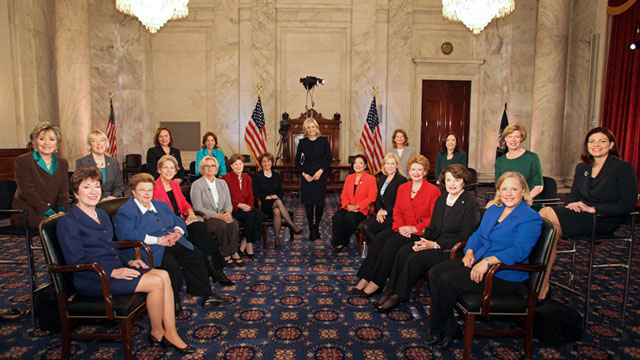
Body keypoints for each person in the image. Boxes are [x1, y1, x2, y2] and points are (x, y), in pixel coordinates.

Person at [57, 167, 196, 354]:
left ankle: (162, 333)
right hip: (94, 278)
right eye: (86, 187)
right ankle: (162, 332)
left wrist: (128, 262)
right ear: (75, 192)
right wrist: (113, 271)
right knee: (156, 281)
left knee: (164, 275)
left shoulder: (101, 215)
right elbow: (76, 260)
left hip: (112, 268)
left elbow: (111, 247)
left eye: (96, 186)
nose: (93, 192)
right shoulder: (68, 222)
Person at [425, 171, 542, 349]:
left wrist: (487, 262)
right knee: (435, 272)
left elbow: (520, 250)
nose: (509, 194)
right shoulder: (494, 209)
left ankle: (437, 328)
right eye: (504, 189)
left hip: (504, 274)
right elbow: (478, 234)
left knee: (447, 280)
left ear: (523, 190)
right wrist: (470, 251)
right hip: (478, 260)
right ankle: (450, 326)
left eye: (514, 189)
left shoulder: (530, 217)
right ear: (498, 190)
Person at [538, 127, 638, 300]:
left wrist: (594, 209)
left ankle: (529, 278)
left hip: (604, 219)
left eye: (601, 141)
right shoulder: (582, 167)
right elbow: (572, 195)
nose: (596, 145)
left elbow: (628, 204)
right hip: (580, 214)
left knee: (545, 215)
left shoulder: (623, 168)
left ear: (611, 145)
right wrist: (573, 204)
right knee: (550, 233)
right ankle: (542, 286)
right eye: (591, 141)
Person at [113, 173, 230, 316]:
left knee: (196, 255)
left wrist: (178, 233)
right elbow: (126, 234)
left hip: (172, 241)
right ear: (133, 191)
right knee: (172, 267)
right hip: (149, 249)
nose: (147, 193)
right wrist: (158, 240)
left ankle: (207, 295)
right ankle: (173, 302)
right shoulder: (126, 211)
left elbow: (178, 221)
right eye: (142, 190)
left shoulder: (160, 205)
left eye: (149, 190)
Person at [374, 164, 480, 312]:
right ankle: (390, 290)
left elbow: (465, 236)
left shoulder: (470, 204)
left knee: (415, 259)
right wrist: (423, 241)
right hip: (433, 241)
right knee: (404, 250)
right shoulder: (442, 199)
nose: (452, 184)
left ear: (464, 181)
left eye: (457, 180)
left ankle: (398, 295)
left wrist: (434, 244)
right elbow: (433, 227)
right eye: (449, 180)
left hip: (451, 249)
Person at [350, 155, 440, 296]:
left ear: (425, 172)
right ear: (409, 171)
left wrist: (414, 228)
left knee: (390, 244)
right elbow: (397, 210)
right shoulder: (403, 188)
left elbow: (434, 217)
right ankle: (365, 278)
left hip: (419, 231)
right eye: (413, 169)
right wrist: (400, 227)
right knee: (380, 239)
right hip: (401, 227)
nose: (416, 173)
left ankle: (376, 283)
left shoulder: (433, 191)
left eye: (419, 170)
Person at [152, 155, 234, 287]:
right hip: (169, 227)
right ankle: (216, 271)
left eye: (172, 168)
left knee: (202, 230)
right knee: (201, 234)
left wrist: (190, 212)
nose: (169, 170)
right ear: (159, 169)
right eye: (165, 168)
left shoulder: (174, 184)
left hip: (183, 221)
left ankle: (216, 270)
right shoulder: (154, 188)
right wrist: (180, 223)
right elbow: (158, 214)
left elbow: (184, 203)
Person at [12, 122, 69, 228]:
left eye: (51, 139)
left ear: (57, 143)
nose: (47, 143)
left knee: (78, 219)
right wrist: (48, 212)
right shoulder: (23, 161)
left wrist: (61, 210)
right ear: (34, 142)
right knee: (54, 224)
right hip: (30, 211)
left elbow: (63, 192)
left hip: (55, 209)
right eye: (42, 139)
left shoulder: (62, 163)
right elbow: (27, 192)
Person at [190, 156, 244, 266]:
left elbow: (228, 203)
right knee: (222, 226)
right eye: (207, 166)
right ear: (202, 168)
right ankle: (225, 254)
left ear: (216, 168)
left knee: (233, 223)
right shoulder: (197, 185)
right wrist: (218, 216)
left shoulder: (222, 183)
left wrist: (228, 212)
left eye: (213, 166)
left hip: (223, 214)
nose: (210, 168)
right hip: (207, 217)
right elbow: (198, 208)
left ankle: (234, 252)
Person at [294, 117, 333, 242]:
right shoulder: (302, 142)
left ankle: (317, 227)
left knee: (320, 204)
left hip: (320, 175)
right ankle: (311, 229)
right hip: (307, 176)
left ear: (317, 128)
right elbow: (297, 162)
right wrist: (304, 174)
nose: (311, 129)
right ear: (306, 129)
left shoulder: (324, 141)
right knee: (309, 204)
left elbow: (329, 159)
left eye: (313, 127)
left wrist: (321, 171)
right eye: (308, 127)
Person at [252, 152, 301, 247]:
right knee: (278, 202)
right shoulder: (257, 176)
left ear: (272, 162)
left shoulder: (276, 175)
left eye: (269, 161)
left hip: (275, 203)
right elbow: (255, 192)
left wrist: (277, 196)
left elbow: (281, 192)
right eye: (264, 161)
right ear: (261, 163)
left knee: (277, 211)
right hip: (263, 203)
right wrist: (267, 197)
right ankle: (293, 226)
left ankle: (277, 239)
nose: (267, 163)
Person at [357, 153, 407, 243]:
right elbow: (378, 198)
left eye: (392, 163)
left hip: (394, 216)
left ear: (397, 165)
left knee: (366, 226)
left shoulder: (401, 180)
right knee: (361, 225)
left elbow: (401, 203)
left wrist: (387, 211)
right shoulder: (382, 178)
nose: (390, 166)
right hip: (381, 214)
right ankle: (380, 245)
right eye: (387, 163)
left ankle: (378, 247)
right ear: (384, 165)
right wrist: (380, 210)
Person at [222, 154, 265, 257]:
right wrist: (239, 205)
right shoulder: (225, 179)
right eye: (235, 164)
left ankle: (245, 241)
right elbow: (225, 198)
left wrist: (248, 206)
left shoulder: (248, 178)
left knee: (260, 215)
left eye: (240, 164)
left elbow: (251, 195)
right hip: (233, 208)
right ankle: (249, 244)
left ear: (243, 165)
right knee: (251, 215)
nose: (238, 166)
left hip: (246, 207)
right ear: (231, 166)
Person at [331, 154, 377, 253]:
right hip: (348, 207)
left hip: (362, 210)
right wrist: (348, 205)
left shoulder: (370, 179)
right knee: (337, 216)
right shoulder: (349, 178)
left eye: (361, 163)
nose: (357, 165)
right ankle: (339, 242)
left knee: (349, 218)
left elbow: (372, 197)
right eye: (355, 163)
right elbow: (344, 195)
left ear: (365, 166)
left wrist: (357, 206)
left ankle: (342, 241)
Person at [492, 124, 543, 204]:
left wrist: (522, 200)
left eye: (517, 137)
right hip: (506, 200)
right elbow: (498, 186)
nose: (513, 140)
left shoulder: (532, 157)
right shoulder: (500, 161)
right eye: (509, 137)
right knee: (489, 208)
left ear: (522, 139)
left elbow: (539, 187)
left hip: (527, 201)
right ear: (505, 139)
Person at [75, 129, 124, 201]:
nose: (99, 144)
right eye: (94, 141)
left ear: (106, 142)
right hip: (91, 200)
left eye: (101, 140)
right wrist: (101, 199)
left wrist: (113, 197)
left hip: (112, 201)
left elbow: (119, 185)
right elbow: (81, 187)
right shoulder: (82, 162)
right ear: (89, 144)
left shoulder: (113, 162)